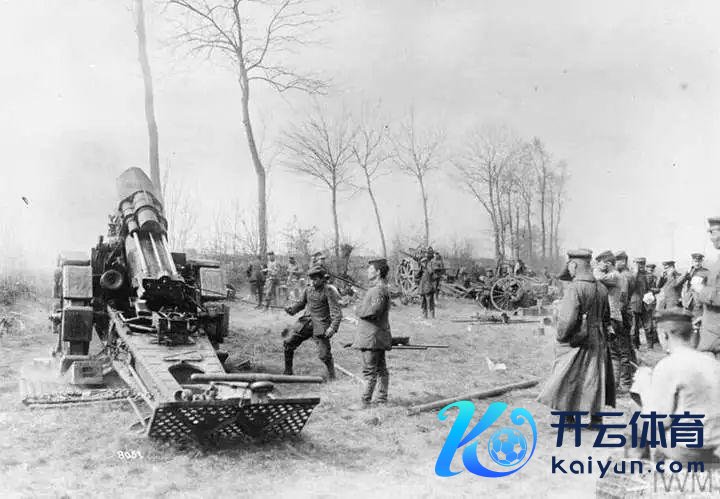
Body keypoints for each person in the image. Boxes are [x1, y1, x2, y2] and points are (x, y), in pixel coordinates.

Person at [630, 310, 720, 463]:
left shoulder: (668, 365)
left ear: (664, 335)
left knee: (636, 403)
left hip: (687, 450)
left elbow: (659, 421)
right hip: (715, 445)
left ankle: (637, 461)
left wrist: (644, 389)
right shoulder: (712, 362)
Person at [537, 249, 615, 424]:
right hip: (598, 337)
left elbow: (568, 320)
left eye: (570, 266)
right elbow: (606, 317)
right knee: (594, 377)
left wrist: (561, 336)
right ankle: (596, 419)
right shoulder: (601, 287)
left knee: (569, 376)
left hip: (578, 339)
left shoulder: (575, 288)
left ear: (574, 265)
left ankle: (569, 418)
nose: (569, 270)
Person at [283, 266, 342, 380]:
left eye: (315, 279)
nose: (313, 282)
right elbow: (301, 304)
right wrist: (291, 310)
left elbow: (337, 313)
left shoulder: (328, 291)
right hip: (305, 323)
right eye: (311, 279)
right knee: (288, 343)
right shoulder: (308, 290)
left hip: (321, 326)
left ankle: (332, 376)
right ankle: (288, 371)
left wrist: (332, 328)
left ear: (322, 279)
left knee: (324, 355)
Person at [352, 258, 392, 408]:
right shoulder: (379, 289)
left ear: (378, 272)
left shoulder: (377, 290)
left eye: (370, 270)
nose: (367, 272)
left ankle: (365, 401)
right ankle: (381, 399)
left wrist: (357, 310)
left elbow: (374, 311)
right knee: (381, 370)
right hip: (376, 337)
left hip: (372, 338)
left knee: (370, 372)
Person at [593, 251, 634, 392]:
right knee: (616, 352)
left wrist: (595, 269)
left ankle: (622, 384)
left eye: (600, 262)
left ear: (608, 263)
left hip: (613, 318)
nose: (598, 265)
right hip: (612, 317)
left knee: (617, 353)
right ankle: (619, 383)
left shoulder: (614, 275)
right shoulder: (615, 275)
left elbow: (597, 277)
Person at [691, 217, 720, 358]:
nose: (711, 238)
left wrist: (701, 289)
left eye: (713, 232)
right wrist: (706, 317)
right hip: (712, 329)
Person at [629, 257, 649, 349]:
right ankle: (634, 345)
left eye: (643, 264)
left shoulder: (645, 275)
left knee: (647, 325)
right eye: (639, 264)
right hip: (634, 303)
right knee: (634, 326)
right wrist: (635, 272)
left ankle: (650, 346)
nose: (641, 266)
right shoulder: (632, 274)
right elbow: (631, 284)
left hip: (645, 303)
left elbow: (647, 288)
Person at [682, 253, 709, 318]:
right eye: (695, 261)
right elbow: (681, 283)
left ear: (702, 262)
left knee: (697, 320)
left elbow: (709, 287)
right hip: (687, 302)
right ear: (692, 262)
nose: (697, 263)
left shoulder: (706, 272)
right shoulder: (689, 272)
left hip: (698, 302)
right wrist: (686, 274)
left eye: (699, 261)